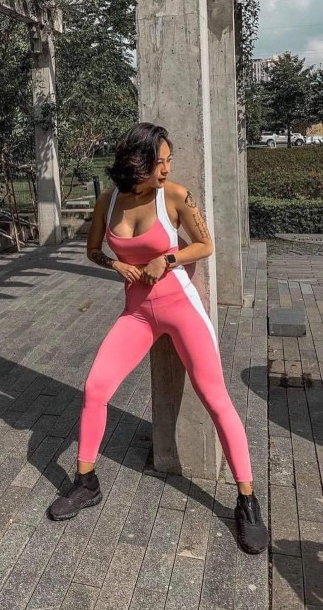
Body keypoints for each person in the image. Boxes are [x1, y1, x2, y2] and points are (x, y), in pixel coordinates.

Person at [47, 123, 268, 555]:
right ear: (137, 163)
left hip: (182, 310)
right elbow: (93, 251)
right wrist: (115, 264)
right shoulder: (108, 202)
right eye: (158, 162)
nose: (166, 169)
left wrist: (167, 258)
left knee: (216, 399)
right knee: (95, 388)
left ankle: (247, 500)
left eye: (169, 160)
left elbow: (205, 245)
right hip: (137, 314)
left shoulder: (175, 197)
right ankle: (86, 482)